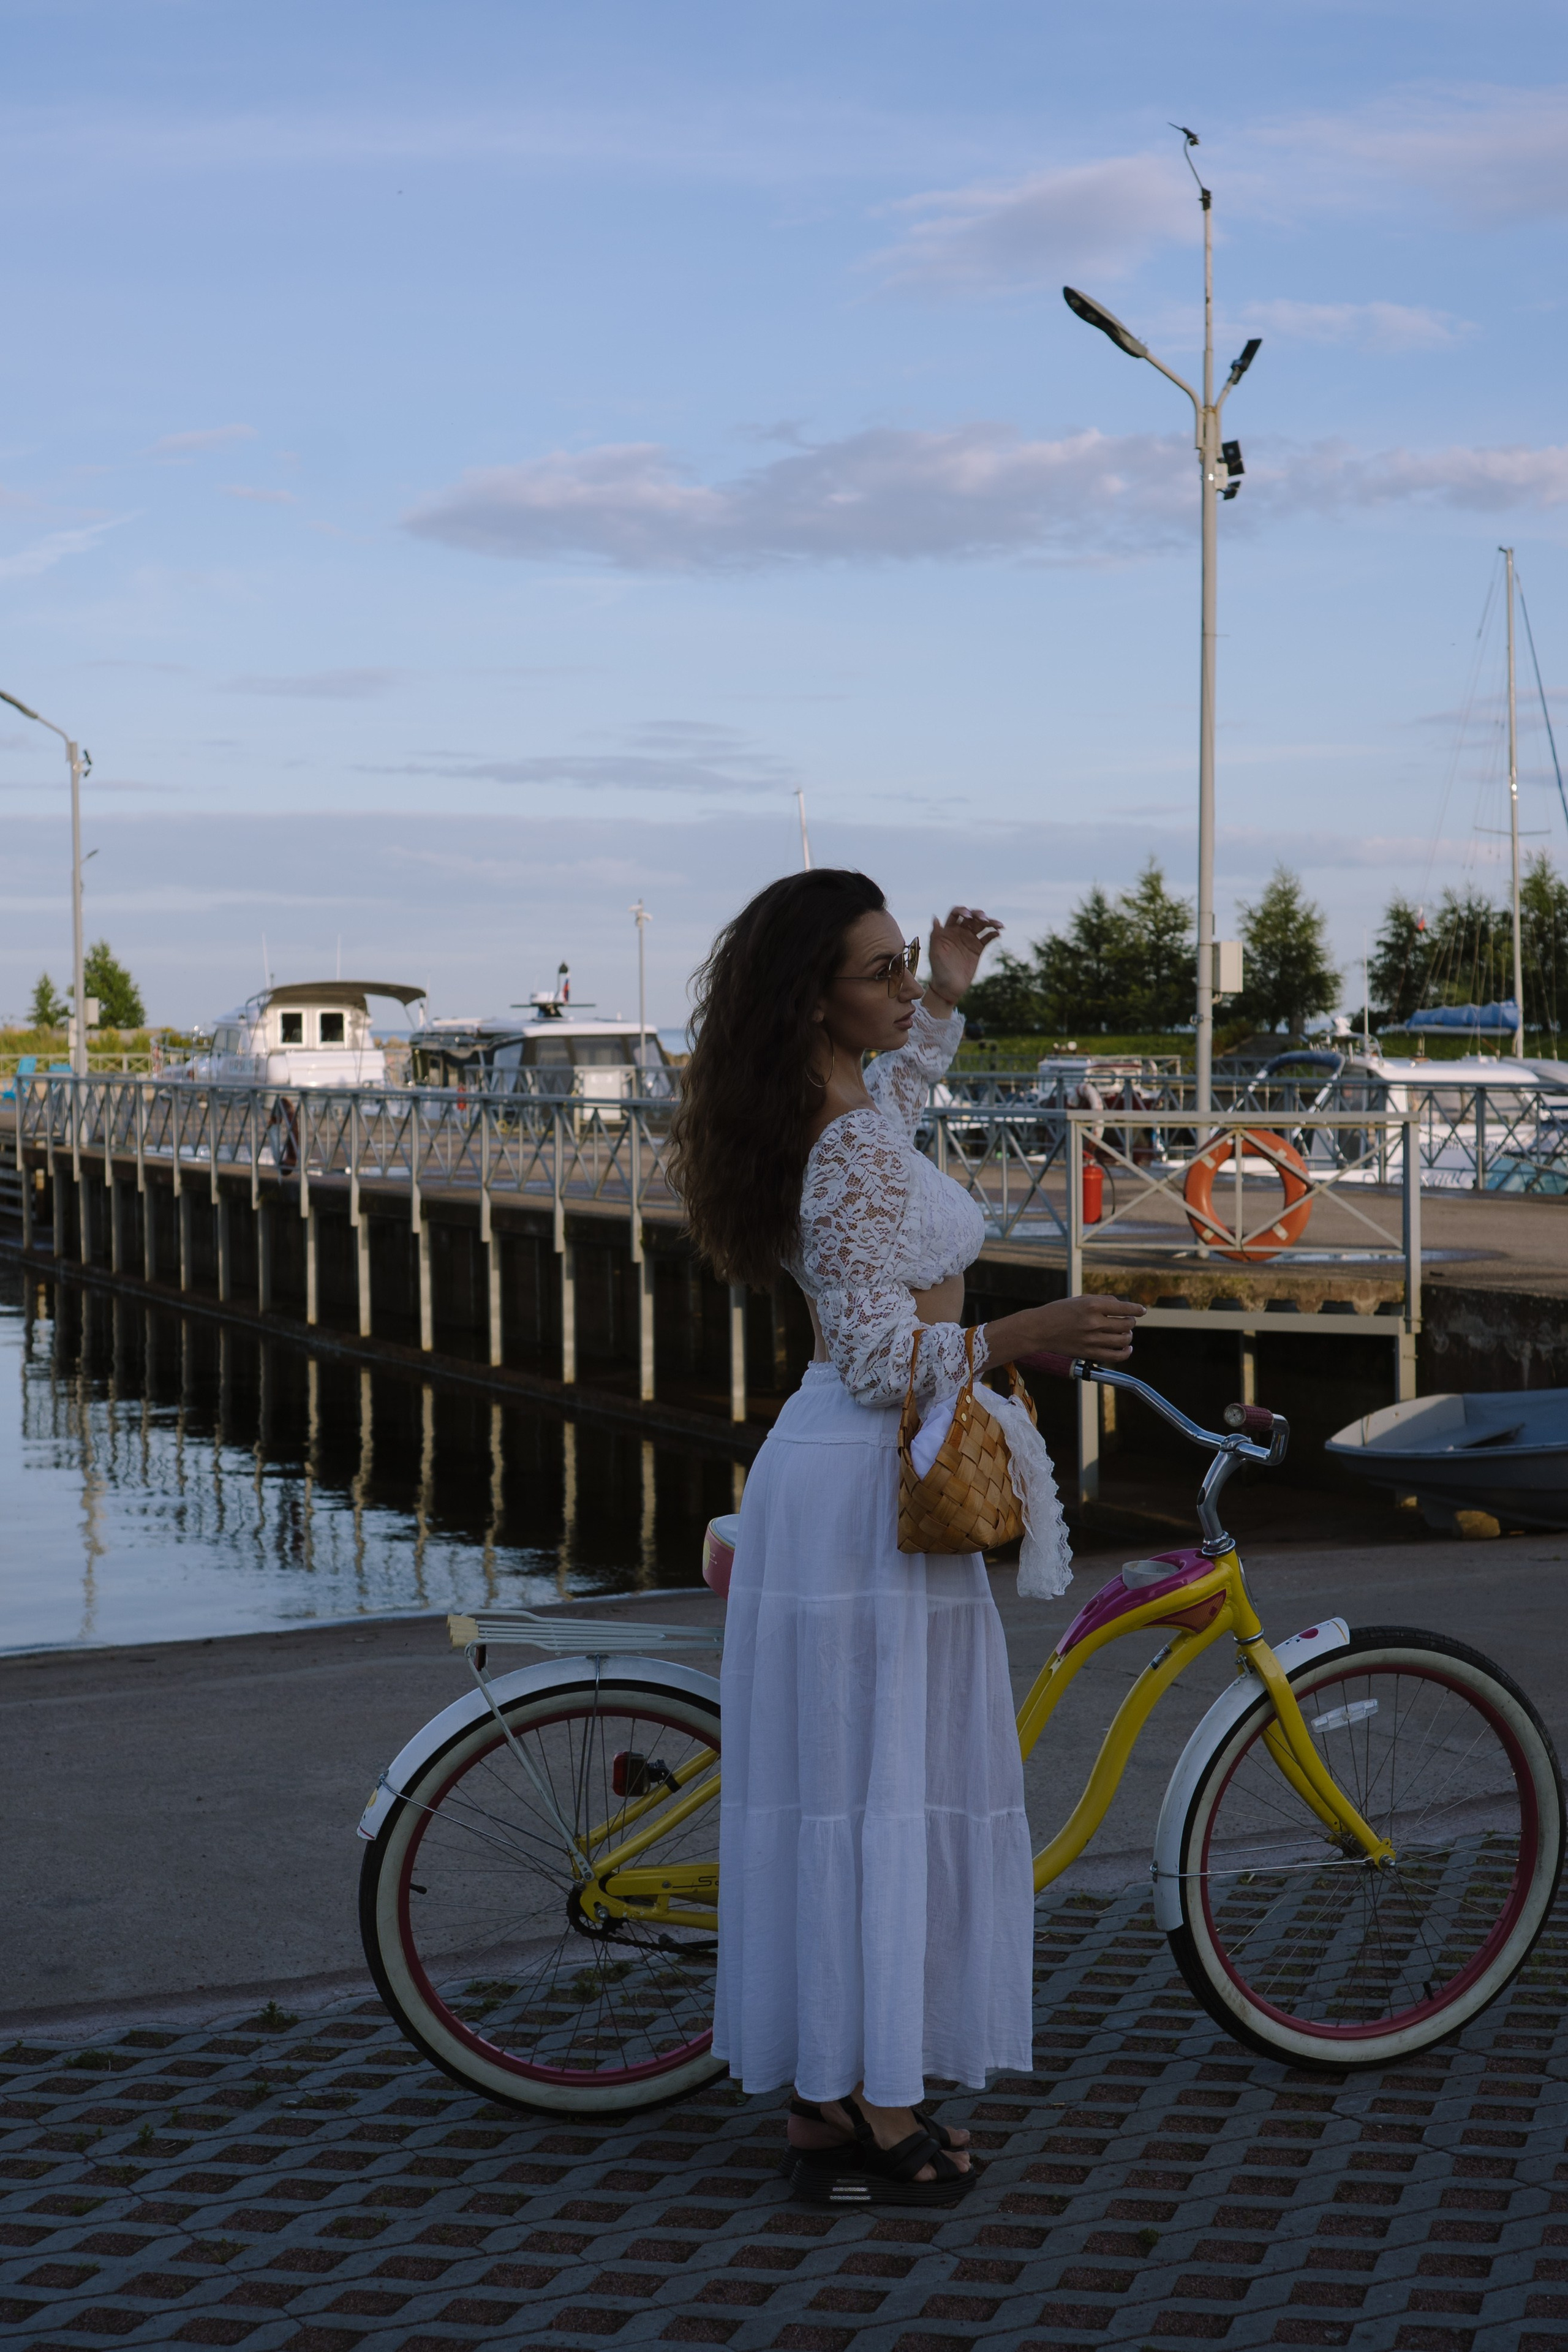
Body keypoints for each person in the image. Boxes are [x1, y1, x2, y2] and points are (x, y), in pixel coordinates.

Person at [669, 870, 1144, 2206]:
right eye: (877, 972)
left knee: (863, 1788)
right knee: (874, 1796)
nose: (899, 991)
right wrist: (1023, 1334)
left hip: (857, 1479)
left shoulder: (847, 1109)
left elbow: (903, 1094)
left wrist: (943, 988)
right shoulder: (835, 1145)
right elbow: (881, 1354)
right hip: (860, 1485)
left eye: (897, 969)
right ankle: (875, 2110)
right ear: (808, 998)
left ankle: (832, 2100)